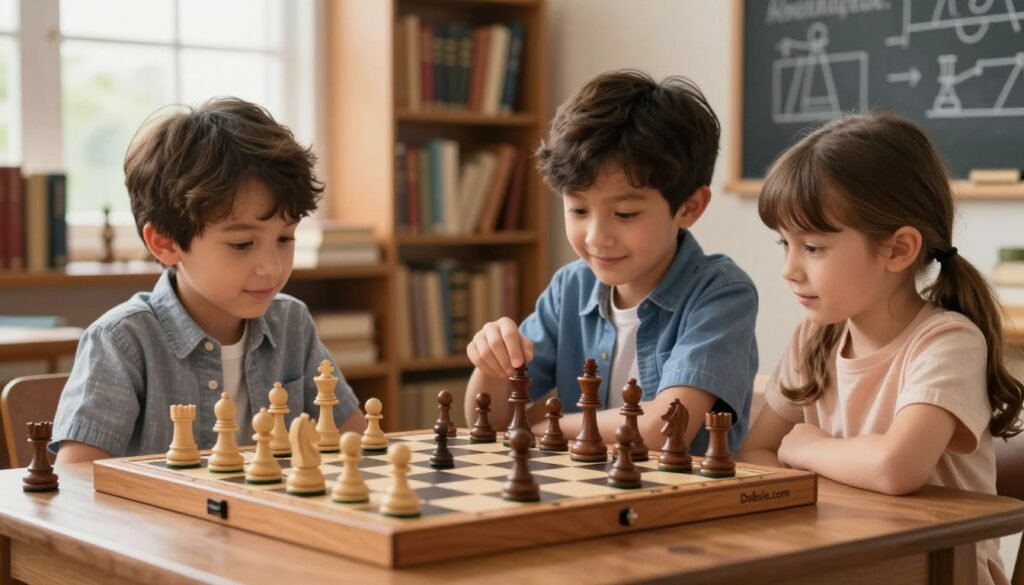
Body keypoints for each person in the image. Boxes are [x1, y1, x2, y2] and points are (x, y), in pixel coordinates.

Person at [737, 112, 1023, 585]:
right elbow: (757, 452)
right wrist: (812, 460)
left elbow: (895, 467)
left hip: (938, 571)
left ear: (898, 249)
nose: (789, 268)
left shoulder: (947, 342)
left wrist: (808, 447)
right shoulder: (815, 337)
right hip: (843, 557)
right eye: (784, 244)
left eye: (812, 247)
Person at [51, 97, 364, 464]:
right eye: (242, 244)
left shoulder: (291, 324)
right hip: (156, 522)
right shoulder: (122, 341)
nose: (272, 268)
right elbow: (75, 482)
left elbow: (359, 441)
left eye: (285, 238)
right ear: (165, 243)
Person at [463, 70, 759, 453]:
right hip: (585, 499)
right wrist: (491, 364)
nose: (596, 237)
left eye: (625, 215)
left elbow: (665, 428)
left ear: (689, 207)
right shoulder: (571, 288)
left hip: (682, 504)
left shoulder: (722, 294)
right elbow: (487, 420)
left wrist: (543, 426)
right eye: (578, 210)